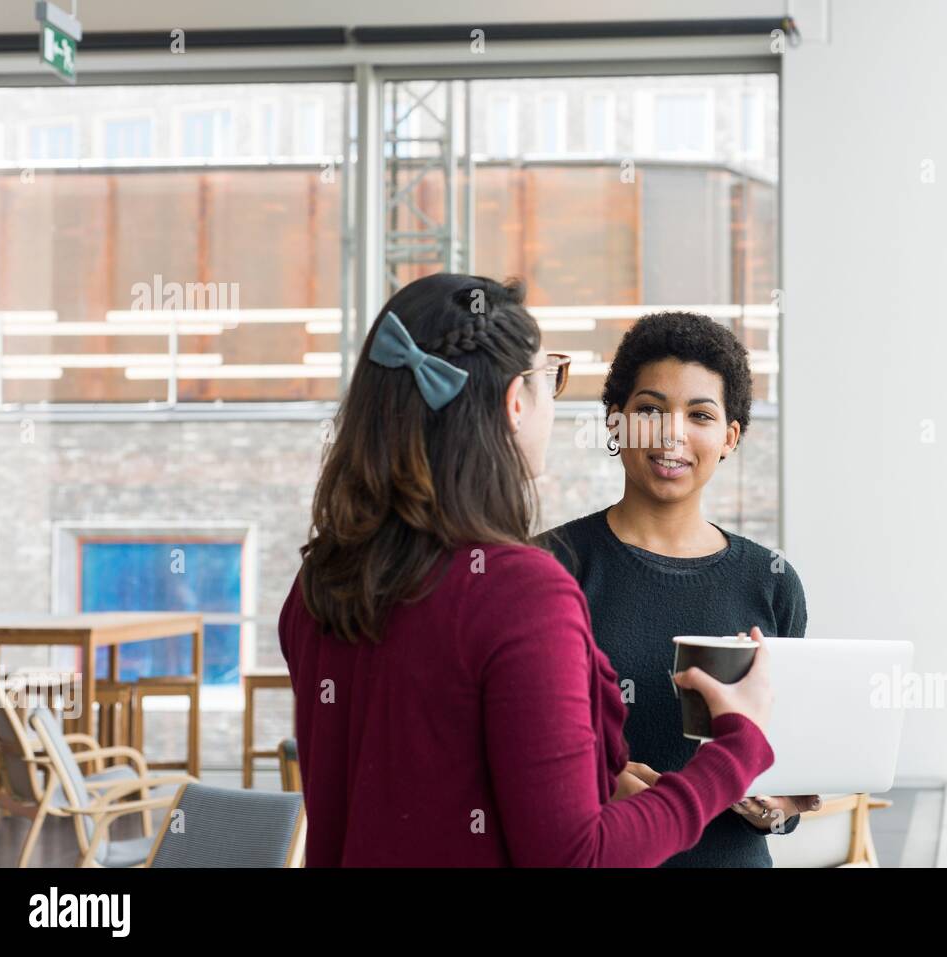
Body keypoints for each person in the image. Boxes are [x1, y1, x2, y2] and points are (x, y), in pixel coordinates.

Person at [277, 273, 776, 866]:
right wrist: (736, 748)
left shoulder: (320, 585)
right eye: (550, 380)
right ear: (516, 401)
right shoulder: (522, 593)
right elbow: (578, 857)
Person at [541, 311, 816, 868]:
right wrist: (597, 782)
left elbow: (789, 764)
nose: (672, 433)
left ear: (729, 437)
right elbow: (507, 747)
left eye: (700, 415)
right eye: (649, 410)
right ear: (615, 423)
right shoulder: (547, 568)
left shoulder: (772, 580)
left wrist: (779, 806)